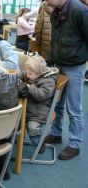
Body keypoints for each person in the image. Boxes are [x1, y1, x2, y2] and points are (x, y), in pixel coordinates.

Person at [44, 0, 88, 160]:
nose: (46, 1)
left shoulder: (80, 10)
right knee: (58, 103)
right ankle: (56, 133)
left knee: (74, 108)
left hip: (75, 66)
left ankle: (75, 144)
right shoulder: (57, 10)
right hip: (58, 64)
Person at [24, 56, 59, 154]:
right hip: (32, 106)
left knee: (32, 128)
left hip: (39, 112)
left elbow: (41, 95)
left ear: (39, 73)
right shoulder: (36, 74)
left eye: (30, 74)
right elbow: (24, 74)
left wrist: (30, 87)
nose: (27, 76)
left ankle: (39, 144)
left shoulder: (49, 81)